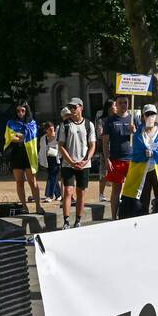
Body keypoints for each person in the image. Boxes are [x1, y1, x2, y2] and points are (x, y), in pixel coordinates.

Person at [123, 104, 158, 213]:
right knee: (143, 200)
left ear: (156, 116)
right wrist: (143, 153)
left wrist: (154, 152)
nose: (150, 116)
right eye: (148, 114)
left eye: (153, 114)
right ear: (143, 116)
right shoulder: (138, 134)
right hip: (142, 171)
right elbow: (135, 153)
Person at [57, 97, 96, 228]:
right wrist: (71, 161)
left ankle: (78, 220)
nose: (72, 109)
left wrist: (86, 160)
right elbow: (61, 145)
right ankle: (66, 220)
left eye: (75, 107)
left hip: (84, 163)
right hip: (69, 163)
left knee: (81, 192)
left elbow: (92, 145)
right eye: (71, 107)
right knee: (68, 191)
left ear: (81, 107)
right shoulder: (65, 124)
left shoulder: (89, 124)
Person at [101, 96, 136, 218]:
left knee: (132, 189)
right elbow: (105, 142)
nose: (123, 105)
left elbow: (143, 139)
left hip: (132, 160)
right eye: (120, 103)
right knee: (116, 189)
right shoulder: (110, 121)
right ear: (116, 104)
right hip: (116, 160)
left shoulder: (133, 119)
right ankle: (114, 217)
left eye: (125, 102)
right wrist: (106, 159)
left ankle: (131, 214)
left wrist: (135, 132)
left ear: (128, 104)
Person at [4, 102, 42, 210]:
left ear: (27, 111)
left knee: (32, 181)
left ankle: (38, 206)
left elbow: (32, 136)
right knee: (19, 181)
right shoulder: (11, 123)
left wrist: (19, 136)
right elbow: (9, 137)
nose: (20, 113)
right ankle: (24, 206)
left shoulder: (32, 123)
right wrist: (20, 137)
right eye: (18, 111)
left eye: (23, 110)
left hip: (29, 155)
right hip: (16, 154)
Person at [41, 121, 61, 203]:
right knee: (52, 177)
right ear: (46, 130)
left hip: (57, 159)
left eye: (52, 127)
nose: (51, 129)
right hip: (48, 159)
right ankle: (58, 194)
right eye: (49, 128)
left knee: (52, 177)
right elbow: (42, 150)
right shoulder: (43, 138)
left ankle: (49, 195)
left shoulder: (58, 136)